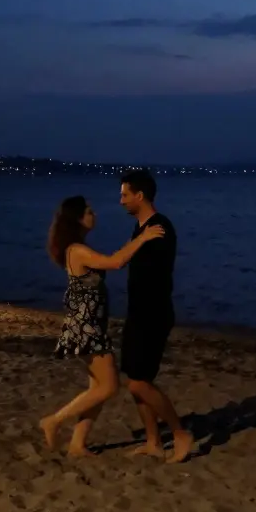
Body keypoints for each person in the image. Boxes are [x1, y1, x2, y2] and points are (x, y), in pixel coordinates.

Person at [39, 195, 165, 457]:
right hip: (86, 328)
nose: (93, 214)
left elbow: (113, 259)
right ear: (77, 219)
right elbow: (116, 262)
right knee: (109, 387)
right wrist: (142, 239)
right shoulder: (77, 250)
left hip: (89, 324)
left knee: (96, 388)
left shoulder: (78, 247)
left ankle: (77, 444)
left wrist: (139, 238)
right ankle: (53, 421)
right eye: (88, 211)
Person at [118, 169, 193, 463]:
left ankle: (179, 433)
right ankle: (153, 441)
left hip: (153, 313)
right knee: (137, 379)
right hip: (137, 312)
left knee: (139, 382)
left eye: (125, 195)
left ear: (140, 195)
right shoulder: (141, 229)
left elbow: (154, 272)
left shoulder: (160, 227)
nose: (121, 201)